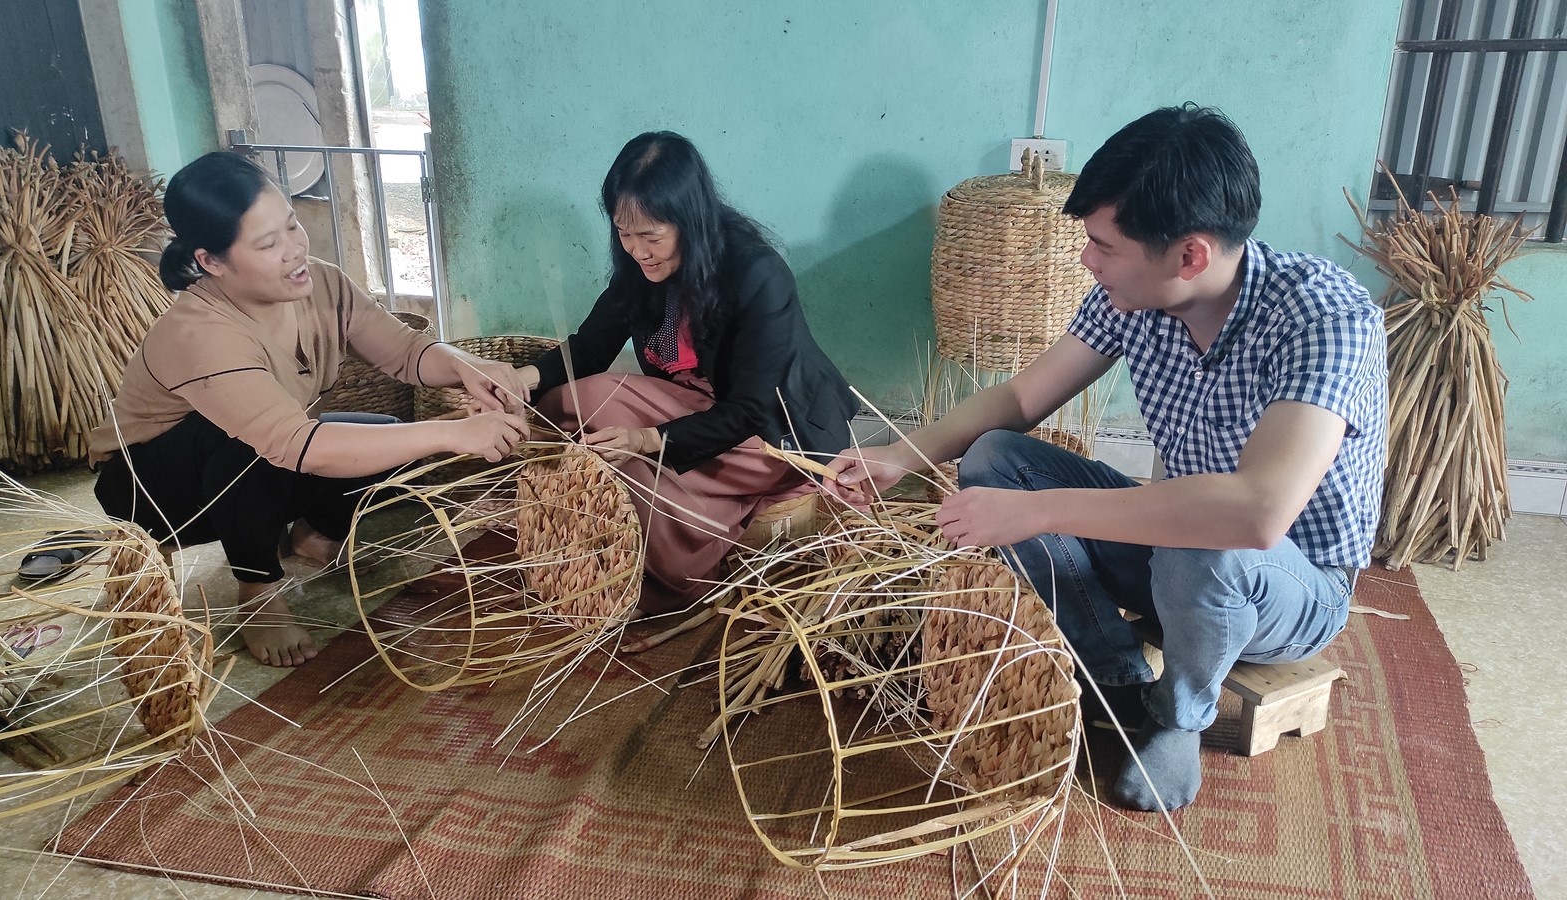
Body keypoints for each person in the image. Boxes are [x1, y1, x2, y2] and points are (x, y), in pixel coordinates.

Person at [825, 104, 1387, 812]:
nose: (1087, 260)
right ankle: (1115, 682)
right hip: (1177, 554)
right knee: (998, 456)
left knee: (1203, 530)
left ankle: (1179, 714)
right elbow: (1023, 397)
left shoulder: (1323, 315)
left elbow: (1257, 513)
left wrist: (1036, 512)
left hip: (1290, 587)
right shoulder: (1132, 295)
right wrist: (900, 455)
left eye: (1103, 246)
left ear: (1189, 256)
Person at [89, 151, 530, 667]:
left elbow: (406, 352)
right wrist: (451, 433)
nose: (295, 249)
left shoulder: (320, 283)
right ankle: (258, 594)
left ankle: (301, 532)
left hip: (263, 453)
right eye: (267, 243)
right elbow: (294, 444)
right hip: (151, 488)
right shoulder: (199, 332)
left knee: (387, 438)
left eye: (292, 225)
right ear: (211, 261)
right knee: (255, 447)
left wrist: (466, 366)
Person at [491, 131, 858, 613]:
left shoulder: (757, 274)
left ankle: (682, 560)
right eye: (624, 233)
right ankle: (676, 505)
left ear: (690, 223)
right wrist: (523, 381)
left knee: (638, 476)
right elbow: (588, 348)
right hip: (691, 409)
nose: (637, 250)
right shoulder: (637, 269)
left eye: (651, 236)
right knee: (577, 399)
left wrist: (647, 440)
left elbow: (748, 409)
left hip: (771, 431)